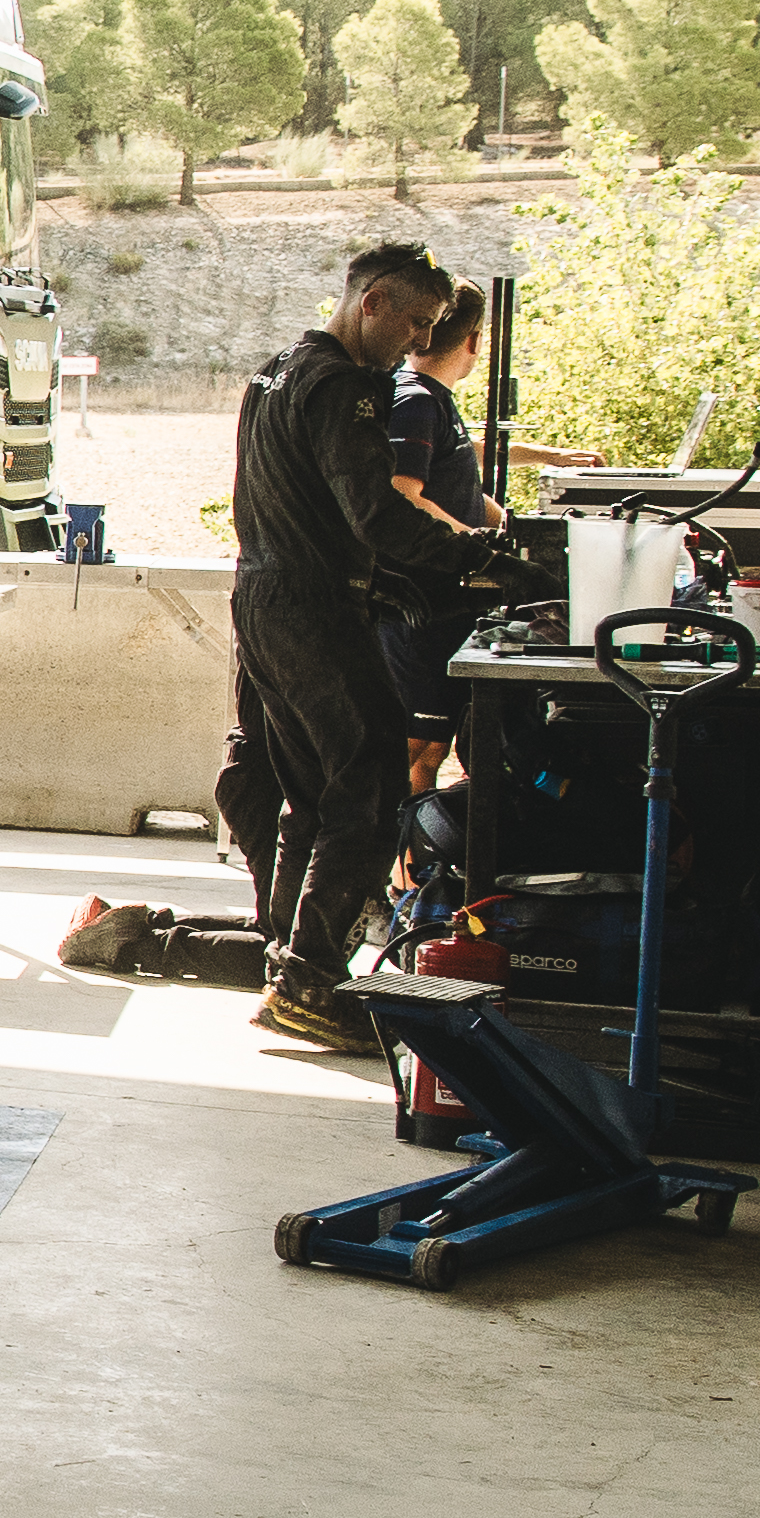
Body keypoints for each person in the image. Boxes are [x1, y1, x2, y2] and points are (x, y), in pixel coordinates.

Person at [226, 245, 524, 1052]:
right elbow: (378, 515)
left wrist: (391, 583)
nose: (418, 342)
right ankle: (311, 979)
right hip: (314, 609)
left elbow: (291, 504)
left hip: (263, 600)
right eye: (416, 323)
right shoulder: (346, 387)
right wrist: (481, 557)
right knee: (372, 785)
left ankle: (286, 968)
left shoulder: (276, 371)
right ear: (373, 301)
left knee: (314, 796)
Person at [378, 279, 504, 785]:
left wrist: (503, 524)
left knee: (430, 751)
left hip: (445, 604)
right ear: (475, 341)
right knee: (409, 749)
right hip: (420, 607)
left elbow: (455, 480)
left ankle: (416, 864)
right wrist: (478, 544)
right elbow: (405, 493)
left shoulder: (435, 400)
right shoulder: (415, 402)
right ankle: (380, 859)